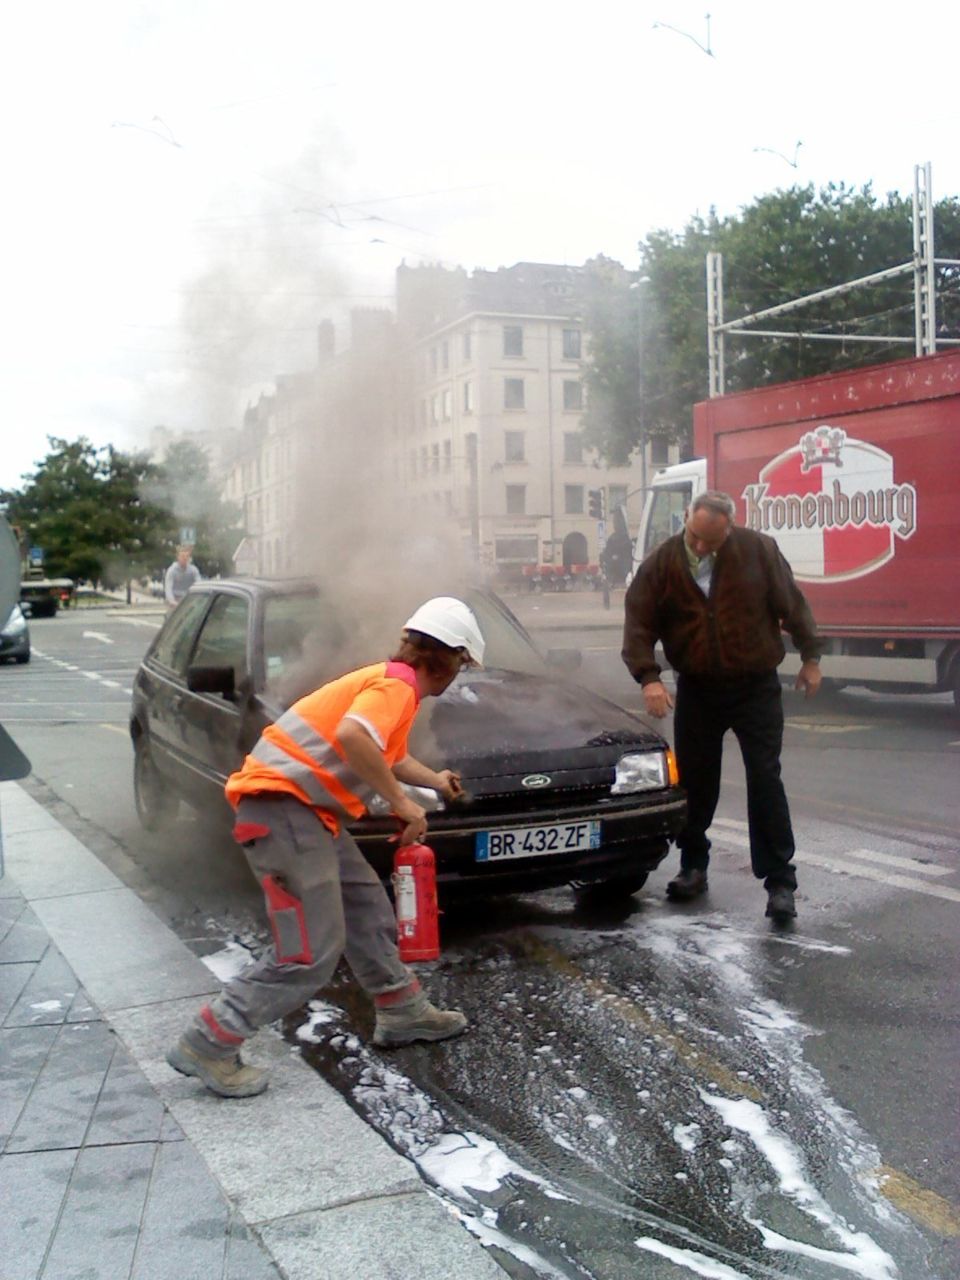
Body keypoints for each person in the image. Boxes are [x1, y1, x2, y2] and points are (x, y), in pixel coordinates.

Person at [166, 596, 484, 1098]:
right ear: (449, 659)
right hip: (283, 811)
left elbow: (389, 755)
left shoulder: (389, 683)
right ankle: (208, 1041)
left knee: (366, 908)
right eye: (462, 664)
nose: (458, 676)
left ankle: (401, 1009)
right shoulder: (396, 687)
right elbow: (355, 737)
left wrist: (436, 782)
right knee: (308, 951)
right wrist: (404, 805)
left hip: (306, 815)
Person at [621, 491, 822, 923]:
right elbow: (638, 621)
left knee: (766, 778)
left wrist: (811, 657)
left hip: (755, 686)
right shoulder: (662, 562)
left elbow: (792, 602)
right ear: (687, 521)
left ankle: (780, 882)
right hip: (698, 688)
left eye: (709, 542)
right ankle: (693, 865)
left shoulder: (758, 550)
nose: (699, 548)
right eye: (694, 536)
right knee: (695, 780)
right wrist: (649, 677)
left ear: (729, 529)